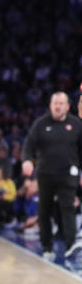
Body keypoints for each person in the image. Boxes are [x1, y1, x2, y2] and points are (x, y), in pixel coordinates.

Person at [22, 92, 82, 260]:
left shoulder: (77, 124)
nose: (58, 106)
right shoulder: (40, 124)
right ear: (50, 106)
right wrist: (27, 160)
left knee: (68, 208)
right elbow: (29, 144)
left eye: (61, 103)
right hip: (45, 174)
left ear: (67, 106)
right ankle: (47, 247)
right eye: (55, 103)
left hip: (68, 174)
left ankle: (70, 245)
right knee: (44, 211)